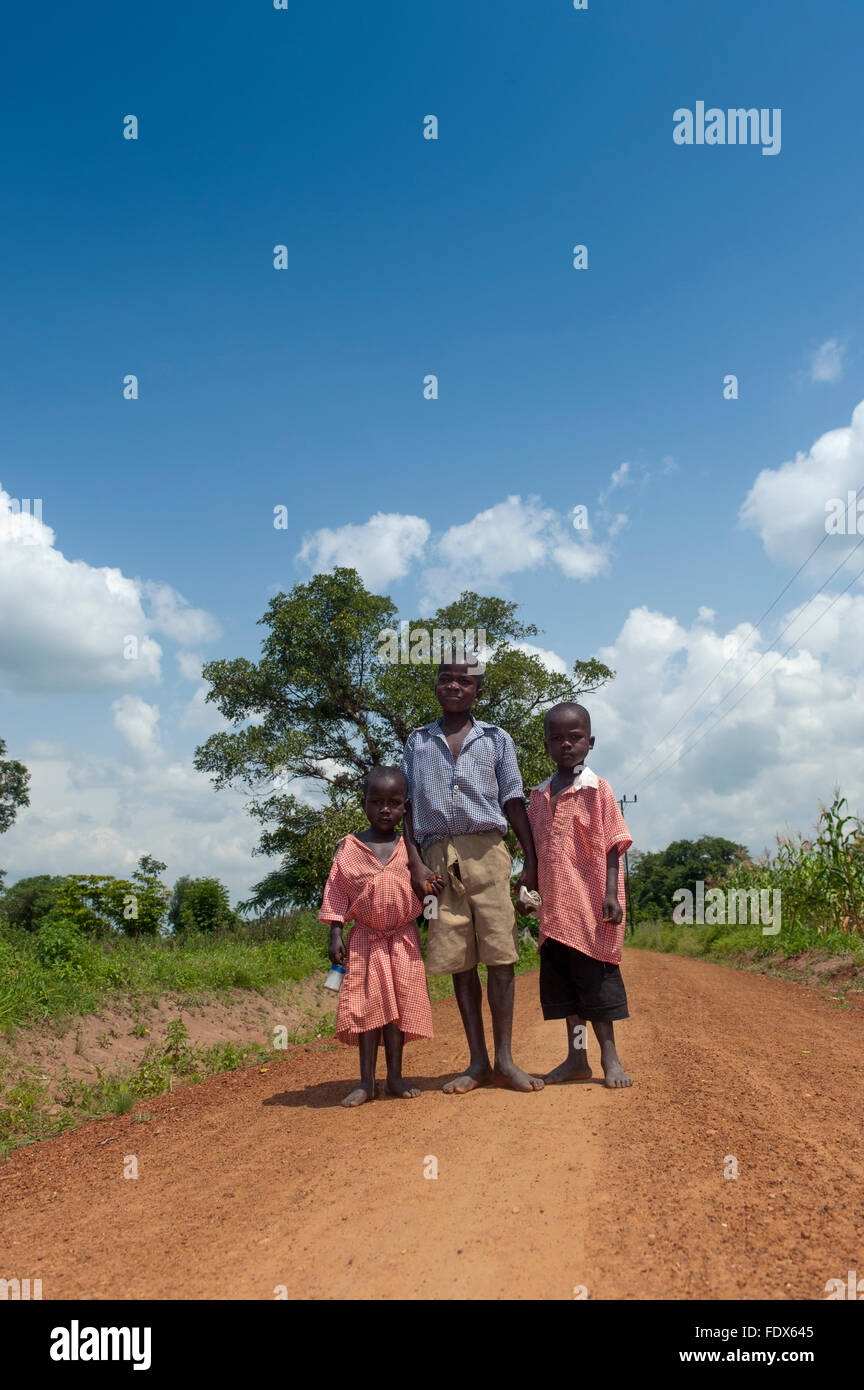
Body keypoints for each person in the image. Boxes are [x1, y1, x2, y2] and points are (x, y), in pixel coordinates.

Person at [401, 654, 543, 1094]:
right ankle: (477, 1062)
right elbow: (406, 809)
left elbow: (514, 801)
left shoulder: (498, 740)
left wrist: (531, 861)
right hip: (438, 861)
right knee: (460, 962)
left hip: (489, 853)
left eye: (465, 681)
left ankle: (506, 1060)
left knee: (501, 958)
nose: (455, 687)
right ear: (437, 687)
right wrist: (416, 863)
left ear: (478, 691)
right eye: (446, 679)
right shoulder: (417, 742)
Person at [527, 702, 634, 1088]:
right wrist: (531, 892)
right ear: (546, 746)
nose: (566, 745)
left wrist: (611, 894)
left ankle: (610, 1057)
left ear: (590, 742)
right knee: (568, 993)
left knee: (597, 987)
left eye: (574, 738)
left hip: (590, 908)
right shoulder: (538, 797)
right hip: (556, 913)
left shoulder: (597, 789)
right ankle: (577, 1057)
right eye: (556, 738)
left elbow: (613, 844)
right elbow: (537, 854)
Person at [320, 766, 433, 1107]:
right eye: (377, 802)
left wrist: (432, 891)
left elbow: (424, 890)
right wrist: (335, 932)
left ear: (405, 807)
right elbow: (337, 892)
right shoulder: (350, 848)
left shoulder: (410, 848)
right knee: (367, 1010)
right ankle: (366, 1082)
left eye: (394, 802)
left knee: (396, 1011)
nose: (386, 809)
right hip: (365, 943)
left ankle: (395, 1077)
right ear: (364, 804)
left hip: (403, 941)